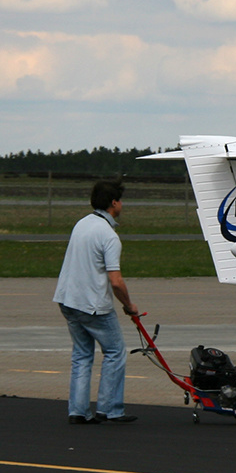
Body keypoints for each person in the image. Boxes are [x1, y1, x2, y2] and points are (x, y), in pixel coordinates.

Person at [54, 180, 140, 424]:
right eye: (120, 200)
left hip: (68, 299)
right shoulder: (109, 236)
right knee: (114, 352)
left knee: (82, 355)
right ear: (114, 203)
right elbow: (116, 281)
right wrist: (129, 305)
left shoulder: (82, 224)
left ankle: (78, 411)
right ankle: (110, 409)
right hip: (92, 305)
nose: (122, 205)